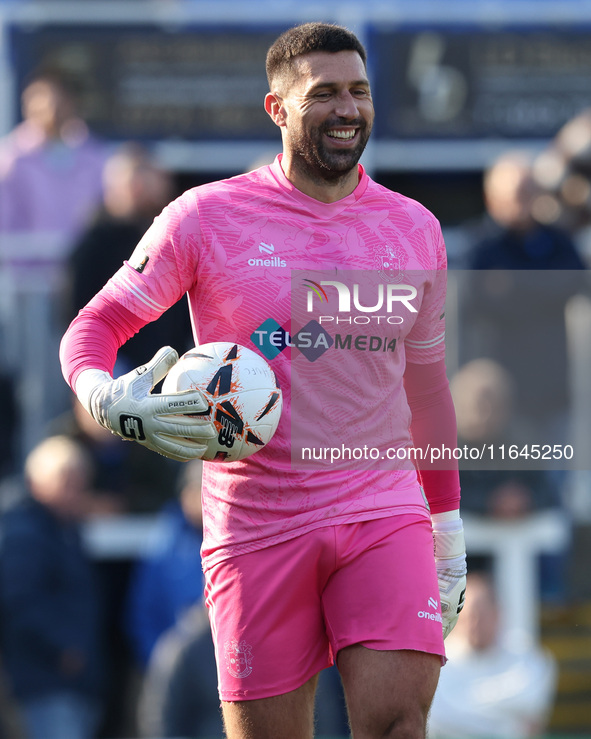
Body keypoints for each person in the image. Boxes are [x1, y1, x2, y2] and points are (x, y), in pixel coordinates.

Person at [60, 23, 466, 739]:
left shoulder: (415, 229)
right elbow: (91, 330)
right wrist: (104, 395)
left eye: (359, 91)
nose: (347, 109)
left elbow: (426, 392)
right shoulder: (204, 218)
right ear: (276, 109)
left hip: (381, 508)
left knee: (398, 724)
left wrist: (447, 527)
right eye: (324, 94)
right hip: (256, 525)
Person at [0, 435, 105, 739]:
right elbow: (20, 602)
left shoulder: (66, 530)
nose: (76, 492)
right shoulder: (24, 534)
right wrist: (63, 649)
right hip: (46, 679)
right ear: (37, 481)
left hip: (73, 679)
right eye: (67, 481)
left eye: (80, 483)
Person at [428, 572, 557, 739]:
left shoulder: (526, 655)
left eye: (480, 615)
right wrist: (508, 725)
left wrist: (462, 708)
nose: (474, 624)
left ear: (497, 613)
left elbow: (530, 702)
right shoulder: (437, 661)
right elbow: (437, 716)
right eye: (468, 616)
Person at [125, 459, 205, 668]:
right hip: (174, 669)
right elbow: (143, 614)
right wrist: (162, 665)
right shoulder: (163, 543)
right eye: (199, 490)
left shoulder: (241, 536)